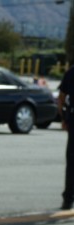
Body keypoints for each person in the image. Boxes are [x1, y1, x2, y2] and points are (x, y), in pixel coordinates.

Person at [58, 65, 74, 210]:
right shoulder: (71, 73)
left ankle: (68, 199)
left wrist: (63, 119)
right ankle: (68, 198)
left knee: (72, 163)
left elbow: (61, 98)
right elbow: (61, 98)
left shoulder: (71, 73)